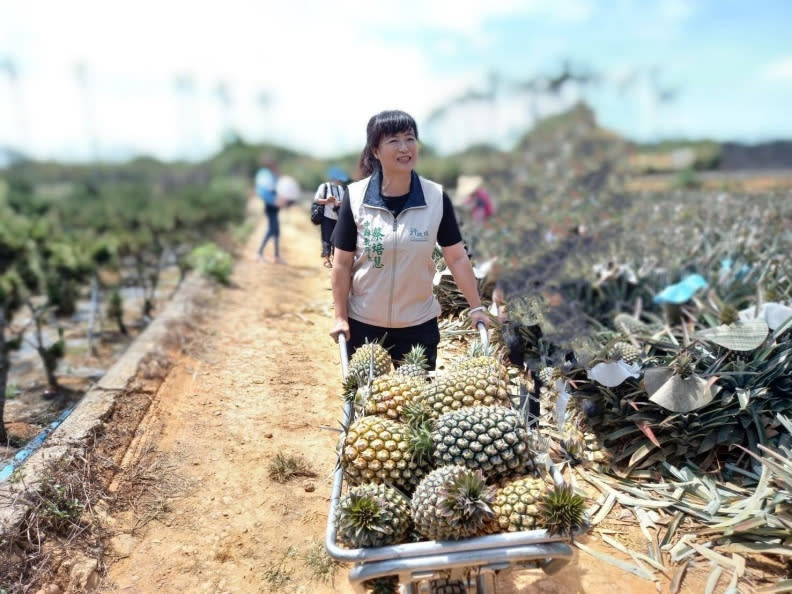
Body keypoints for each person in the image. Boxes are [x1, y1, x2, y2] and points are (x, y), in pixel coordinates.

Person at [329, 109, 489, 370]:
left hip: (418, 327)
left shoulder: (435, 197)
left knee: (419, 405)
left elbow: (457, 257)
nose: (404, 148)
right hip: (364, 325)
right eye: (393, 140)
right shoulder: (355, 197)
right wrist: (340, 317)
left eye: (410, 138)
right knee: (368, 406)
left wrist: (476, 308)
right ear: (375, 151)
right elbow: (342, 264)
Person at [313, 166, 348, 269]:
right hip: (326, 217)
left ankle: (335, 259)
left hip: (337, 217)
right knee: (326, 239)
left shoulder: (341, 188)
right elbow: (316, 200)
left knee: (336, 240)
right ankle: (327, 259)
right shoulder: (324, 187)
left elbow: (344, 201)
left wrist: (339, 203)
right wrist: (327, 201)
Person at [253, 156, 285, 264]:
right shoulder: (265, 176)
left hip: (274, 206)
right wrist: (275, 201)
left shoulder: (273, 176)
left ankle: (276, 256)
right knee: (272, 230)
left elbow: (279, 188)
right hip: (270, 206)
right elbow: (265, 191)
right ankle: (259, 253)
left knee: (276, 231)